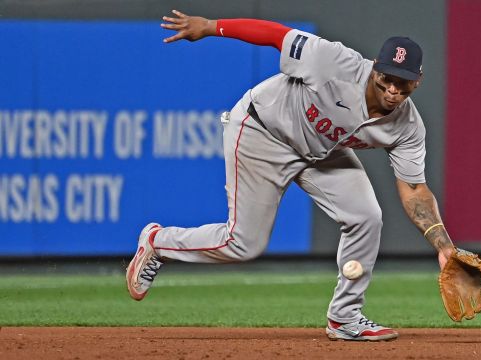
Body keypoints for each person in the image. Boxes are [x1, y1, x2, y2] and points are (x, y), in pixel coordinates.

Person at [127, 10, 456, 341]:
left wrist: (444, 248)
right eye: (388, 76)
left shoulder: (408, 127)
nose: (393, 88)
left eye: (404, 81)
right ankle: (157, 242)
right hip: (262, 131)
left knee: (366, 216)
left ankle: (345, 318)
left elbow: (414, 189)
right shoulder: (333, 61)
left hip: (320, 151)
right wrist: (211, 27)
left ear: (418, 80)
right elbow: (275, 34)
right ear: (374, 69)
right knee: (242, 244)